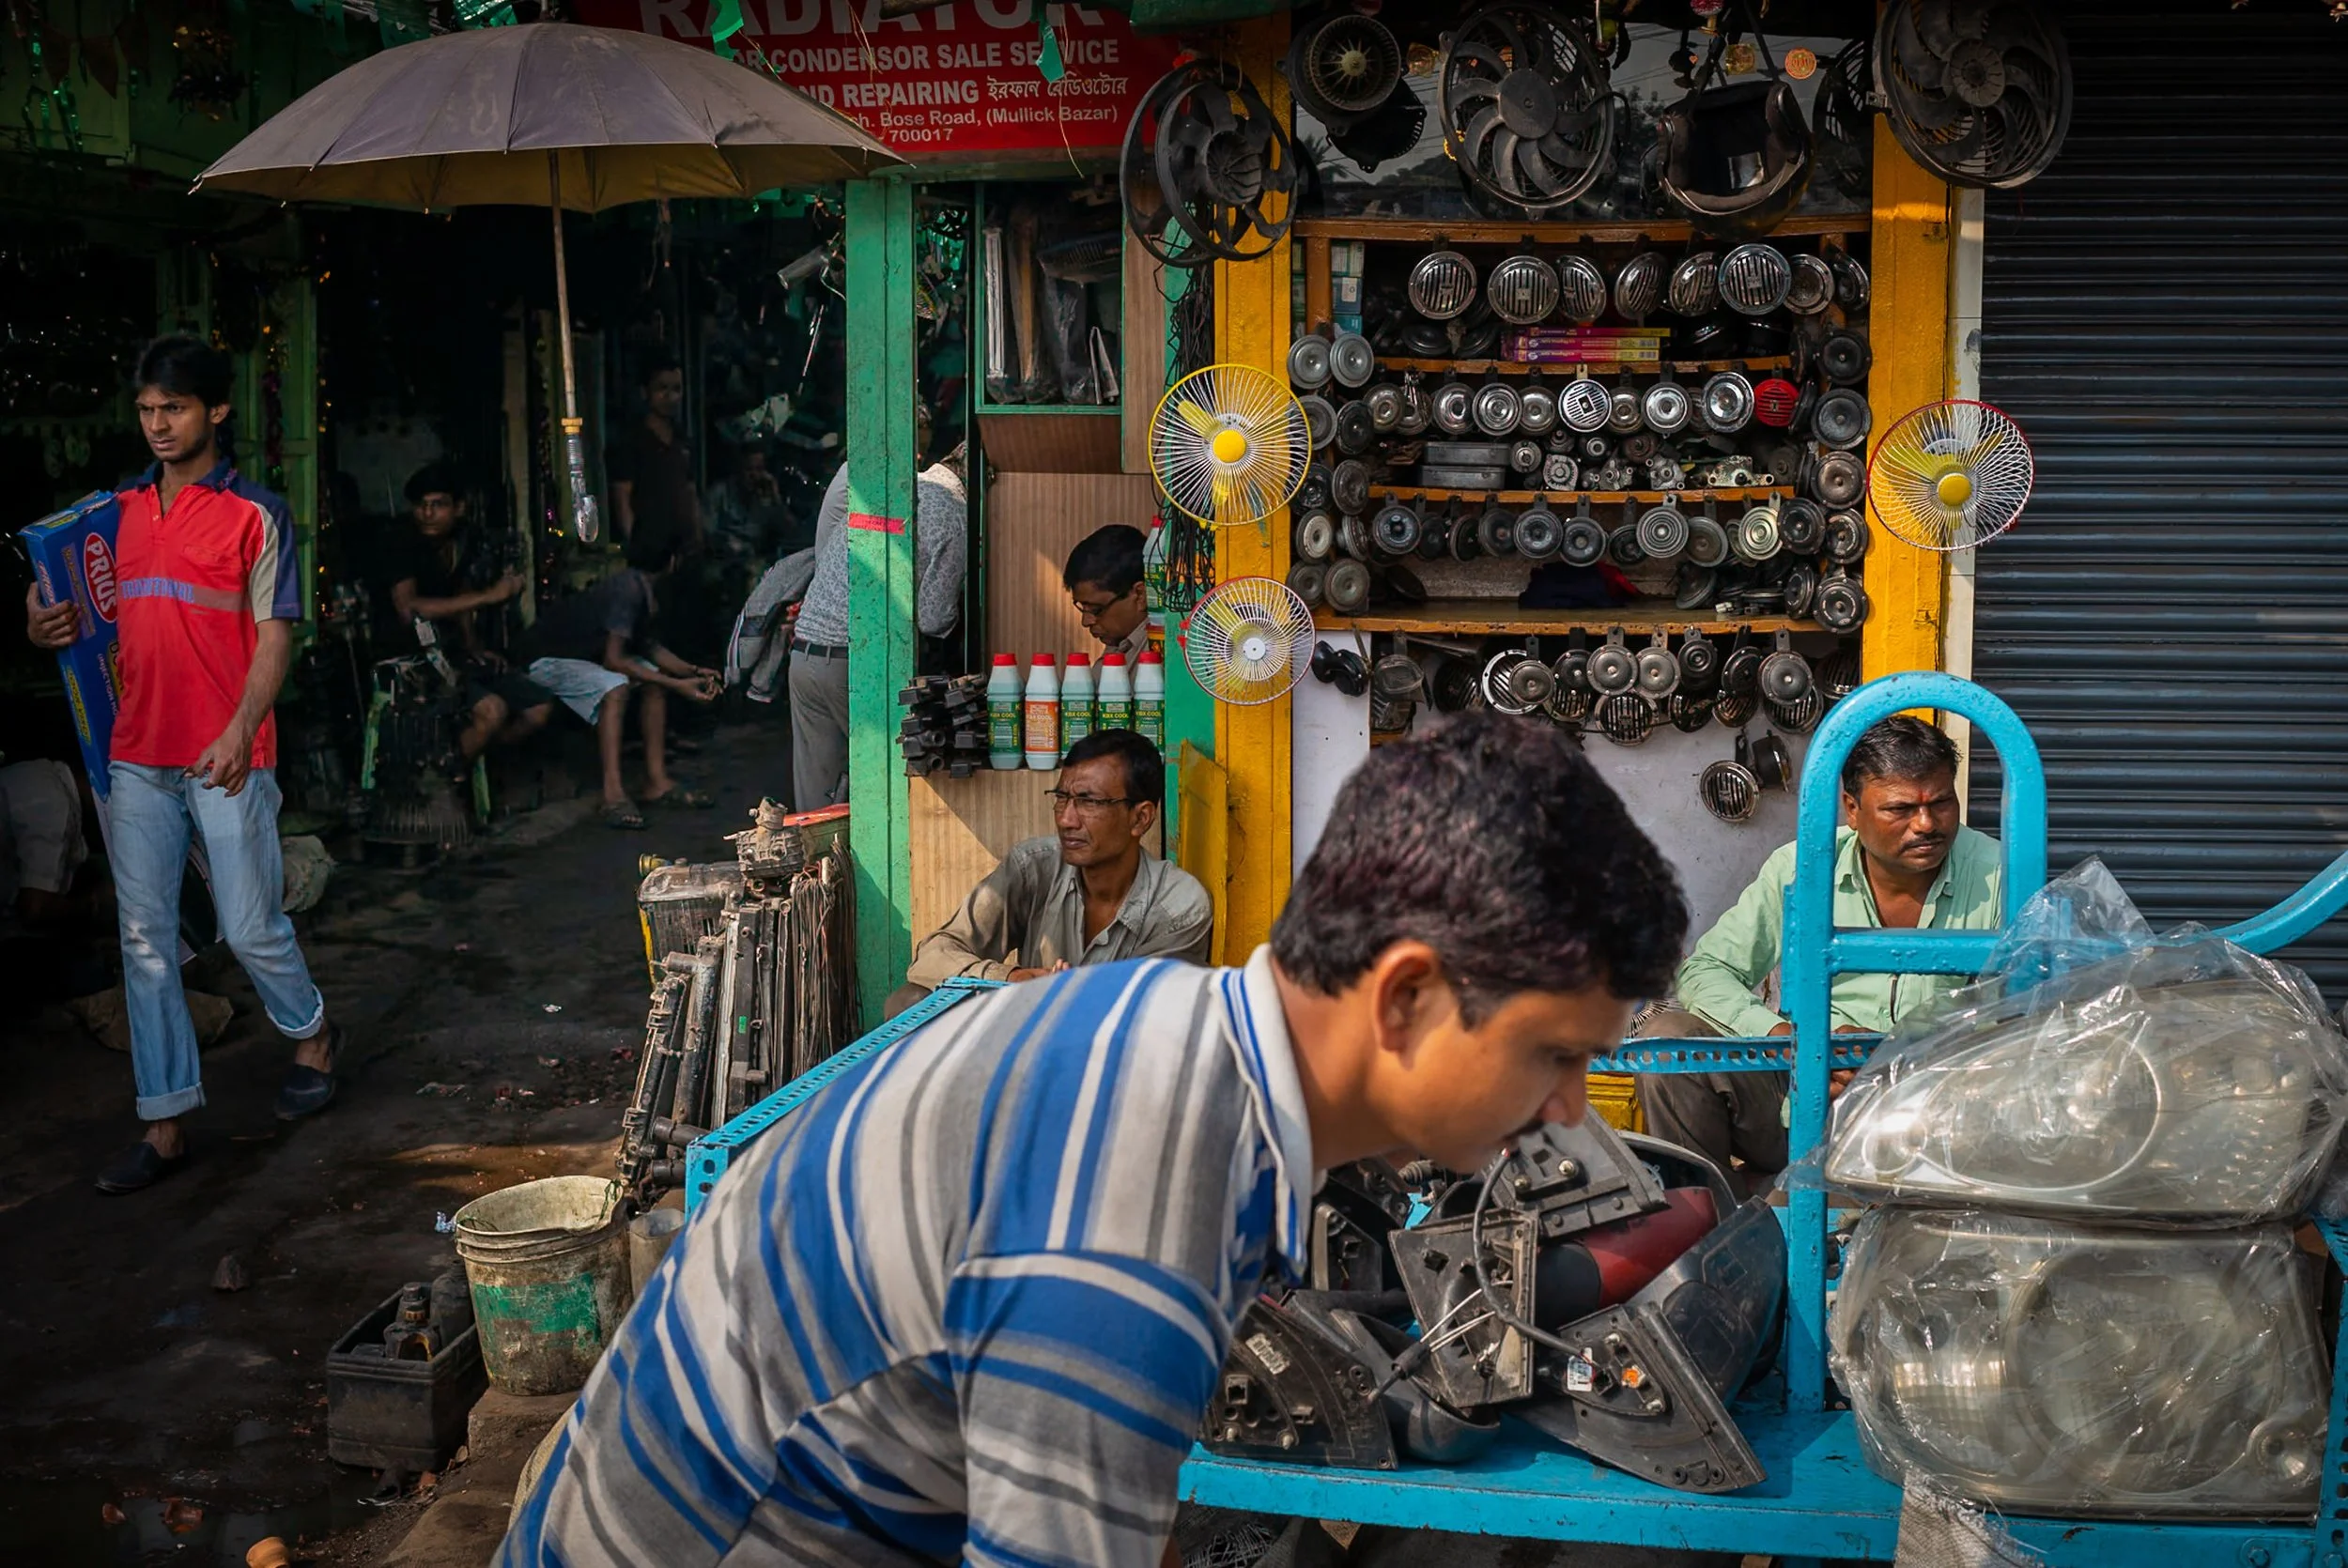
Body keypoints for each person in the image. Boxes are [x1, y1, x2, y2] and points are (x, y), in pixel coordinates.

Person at [498, 714, 1687, 1568]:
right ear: (1408, 997)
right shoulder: (1133, 1224)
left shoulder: (1166, 1034)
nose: (1570, 1106)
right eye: (1554, 1053)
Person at [23, 335, 342, 1193]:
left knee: (245, 926)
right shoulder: (113, 512)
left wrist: (243, 728)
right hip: (137, 755)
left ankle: (311, 1032)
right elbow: (69, 605)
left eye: (175, 409)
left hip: (227, 752)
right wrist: (38, 619)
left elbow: (275, 636)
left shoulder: (256, 514)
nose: (159, 426)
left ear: (217, 412)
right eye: (148, 411)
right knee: (146, 943)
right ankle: (163, 1121)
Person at [1641, 715, 2004, 1186]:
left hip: (1931, 1121)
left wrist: (1890, 1061)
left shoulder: (2000, 875)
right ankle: (1704, 1227)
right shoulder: (1801, 867)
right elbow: (1707, 970)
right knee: (1672, 1043)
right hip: (1801, 1105)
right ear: (1852, 809)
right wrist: (1793, 1039)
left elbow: (2020, 1014)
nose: (1926, 824)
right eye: (1899, 809)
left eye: (1941, 803)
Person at [896, 730, 1210, 1008]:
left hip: (1117, 1057)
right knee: (908, 1000)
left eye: (1089, 802)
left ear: (1140, 818)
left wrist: (1065, 992)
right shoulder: (1033, 867)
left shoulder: (1179, 907)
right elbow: (933, 955)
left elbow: (1151, 1012)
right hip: (1023, 1039)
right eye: (1062, 798)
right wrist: (1012, 978)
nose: (1066, 820)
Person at [787, 407, 966, 809]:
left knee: (817, 804)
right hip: (856, 665)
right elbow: (935, 619)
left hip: (805, 652)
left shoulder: (894, 489)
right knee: (888, 791)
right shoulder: (954, 512)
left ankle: (810, 873)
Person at [514, 560, 720, 829]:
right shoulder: (630, 590)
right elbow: (614, 660)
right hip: (545, 661)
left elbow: (650, 649)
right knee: (616, 686)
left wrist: (693, 671)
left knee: (652, 681)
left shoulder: (645, 589)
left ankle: (656, 781)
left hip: (585, 658)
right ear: (672, 561)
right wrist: (677, 685)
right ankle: (613, 795)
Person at [384, 463, 555, 766]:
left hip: (452, 653)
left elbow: (461, 595)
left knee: (539, 708)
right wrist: (491, 596)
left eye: (438, 505)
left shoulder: (464, 539)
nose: (428, 513)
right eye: (421, 506)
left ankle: (468, 757)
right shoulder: (402, 540)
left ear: (459, 508)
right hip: (410, 658)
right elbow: (409, 607)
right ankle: (440, 782)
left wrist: (473, 645)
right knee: (493, 710)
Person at [608, 355, 702, 574]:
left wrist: (697, 537)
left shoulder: (682, 441)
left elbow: (690, 490)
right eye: (663, 389)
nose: (671, 397)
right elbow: (622, 496)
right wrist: (636, 546)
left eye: (677, 389)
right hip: (650, 553)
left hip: (684, 553)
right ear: (645, 392)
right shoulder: (631, 441)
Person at [1064, 521, 1151, 662]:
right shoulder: (1118, 642)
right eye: (1082, 607)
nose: (1085, 622)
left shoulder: (1163, 655)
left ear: (1140, 595)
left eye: (1096, 609)